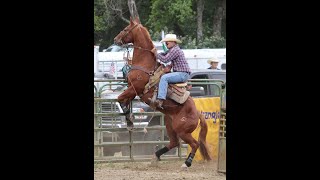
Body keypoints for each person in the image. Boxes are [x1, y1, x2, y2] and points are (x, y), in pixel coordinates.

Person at [150, 34, 191, 109]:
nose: (166, 43)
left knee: (164, 78)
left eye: (167, 41)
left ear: (173, 42)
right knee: (164, 77)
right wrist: (155, 53)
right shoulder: (172, 50)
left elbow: (165, 59)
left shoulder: (175, 50)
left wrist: (155, 53)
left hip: (182, 74)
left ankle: (160, 99)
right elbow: (163, 54)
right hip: (181, 73)